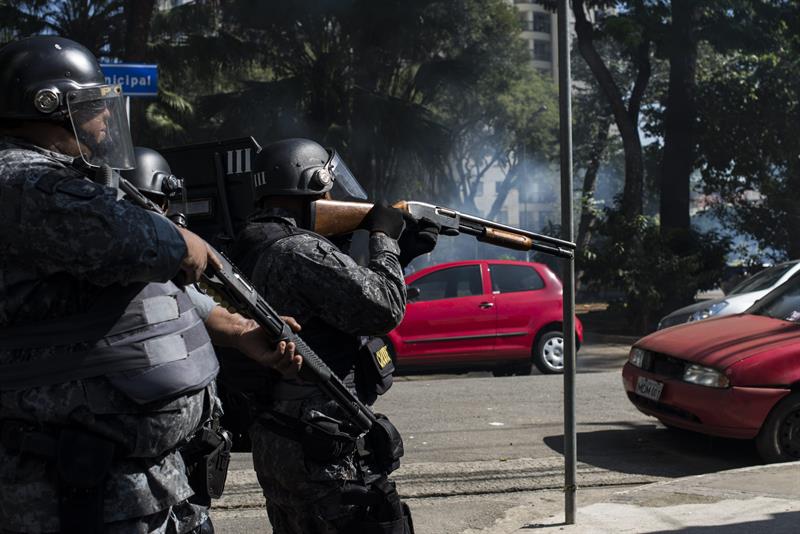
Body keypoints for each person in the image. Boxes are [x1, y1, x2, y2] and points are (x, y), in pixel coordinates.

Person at [0, 36, 297, 534]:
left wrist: (240, 328)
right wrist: (184, 241)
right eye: (93, 107)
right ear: (48, 105)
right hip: (71, 489)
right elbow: (148, 246)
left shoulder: (60, 181)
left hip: (127, 483)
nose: (105, 122)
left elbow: (120, 295)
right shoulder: (23, 181)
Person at [227, 137, 438, 533]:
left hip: (280, 433)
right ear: (311, 183)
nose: (331, 196)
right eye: (326, 188)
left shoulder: (253, 242)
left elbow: (337, 304)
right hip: (323, 440)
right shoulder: (301, 249)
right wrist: (386, 242)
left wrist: (399, 257)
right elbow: (383, 309)